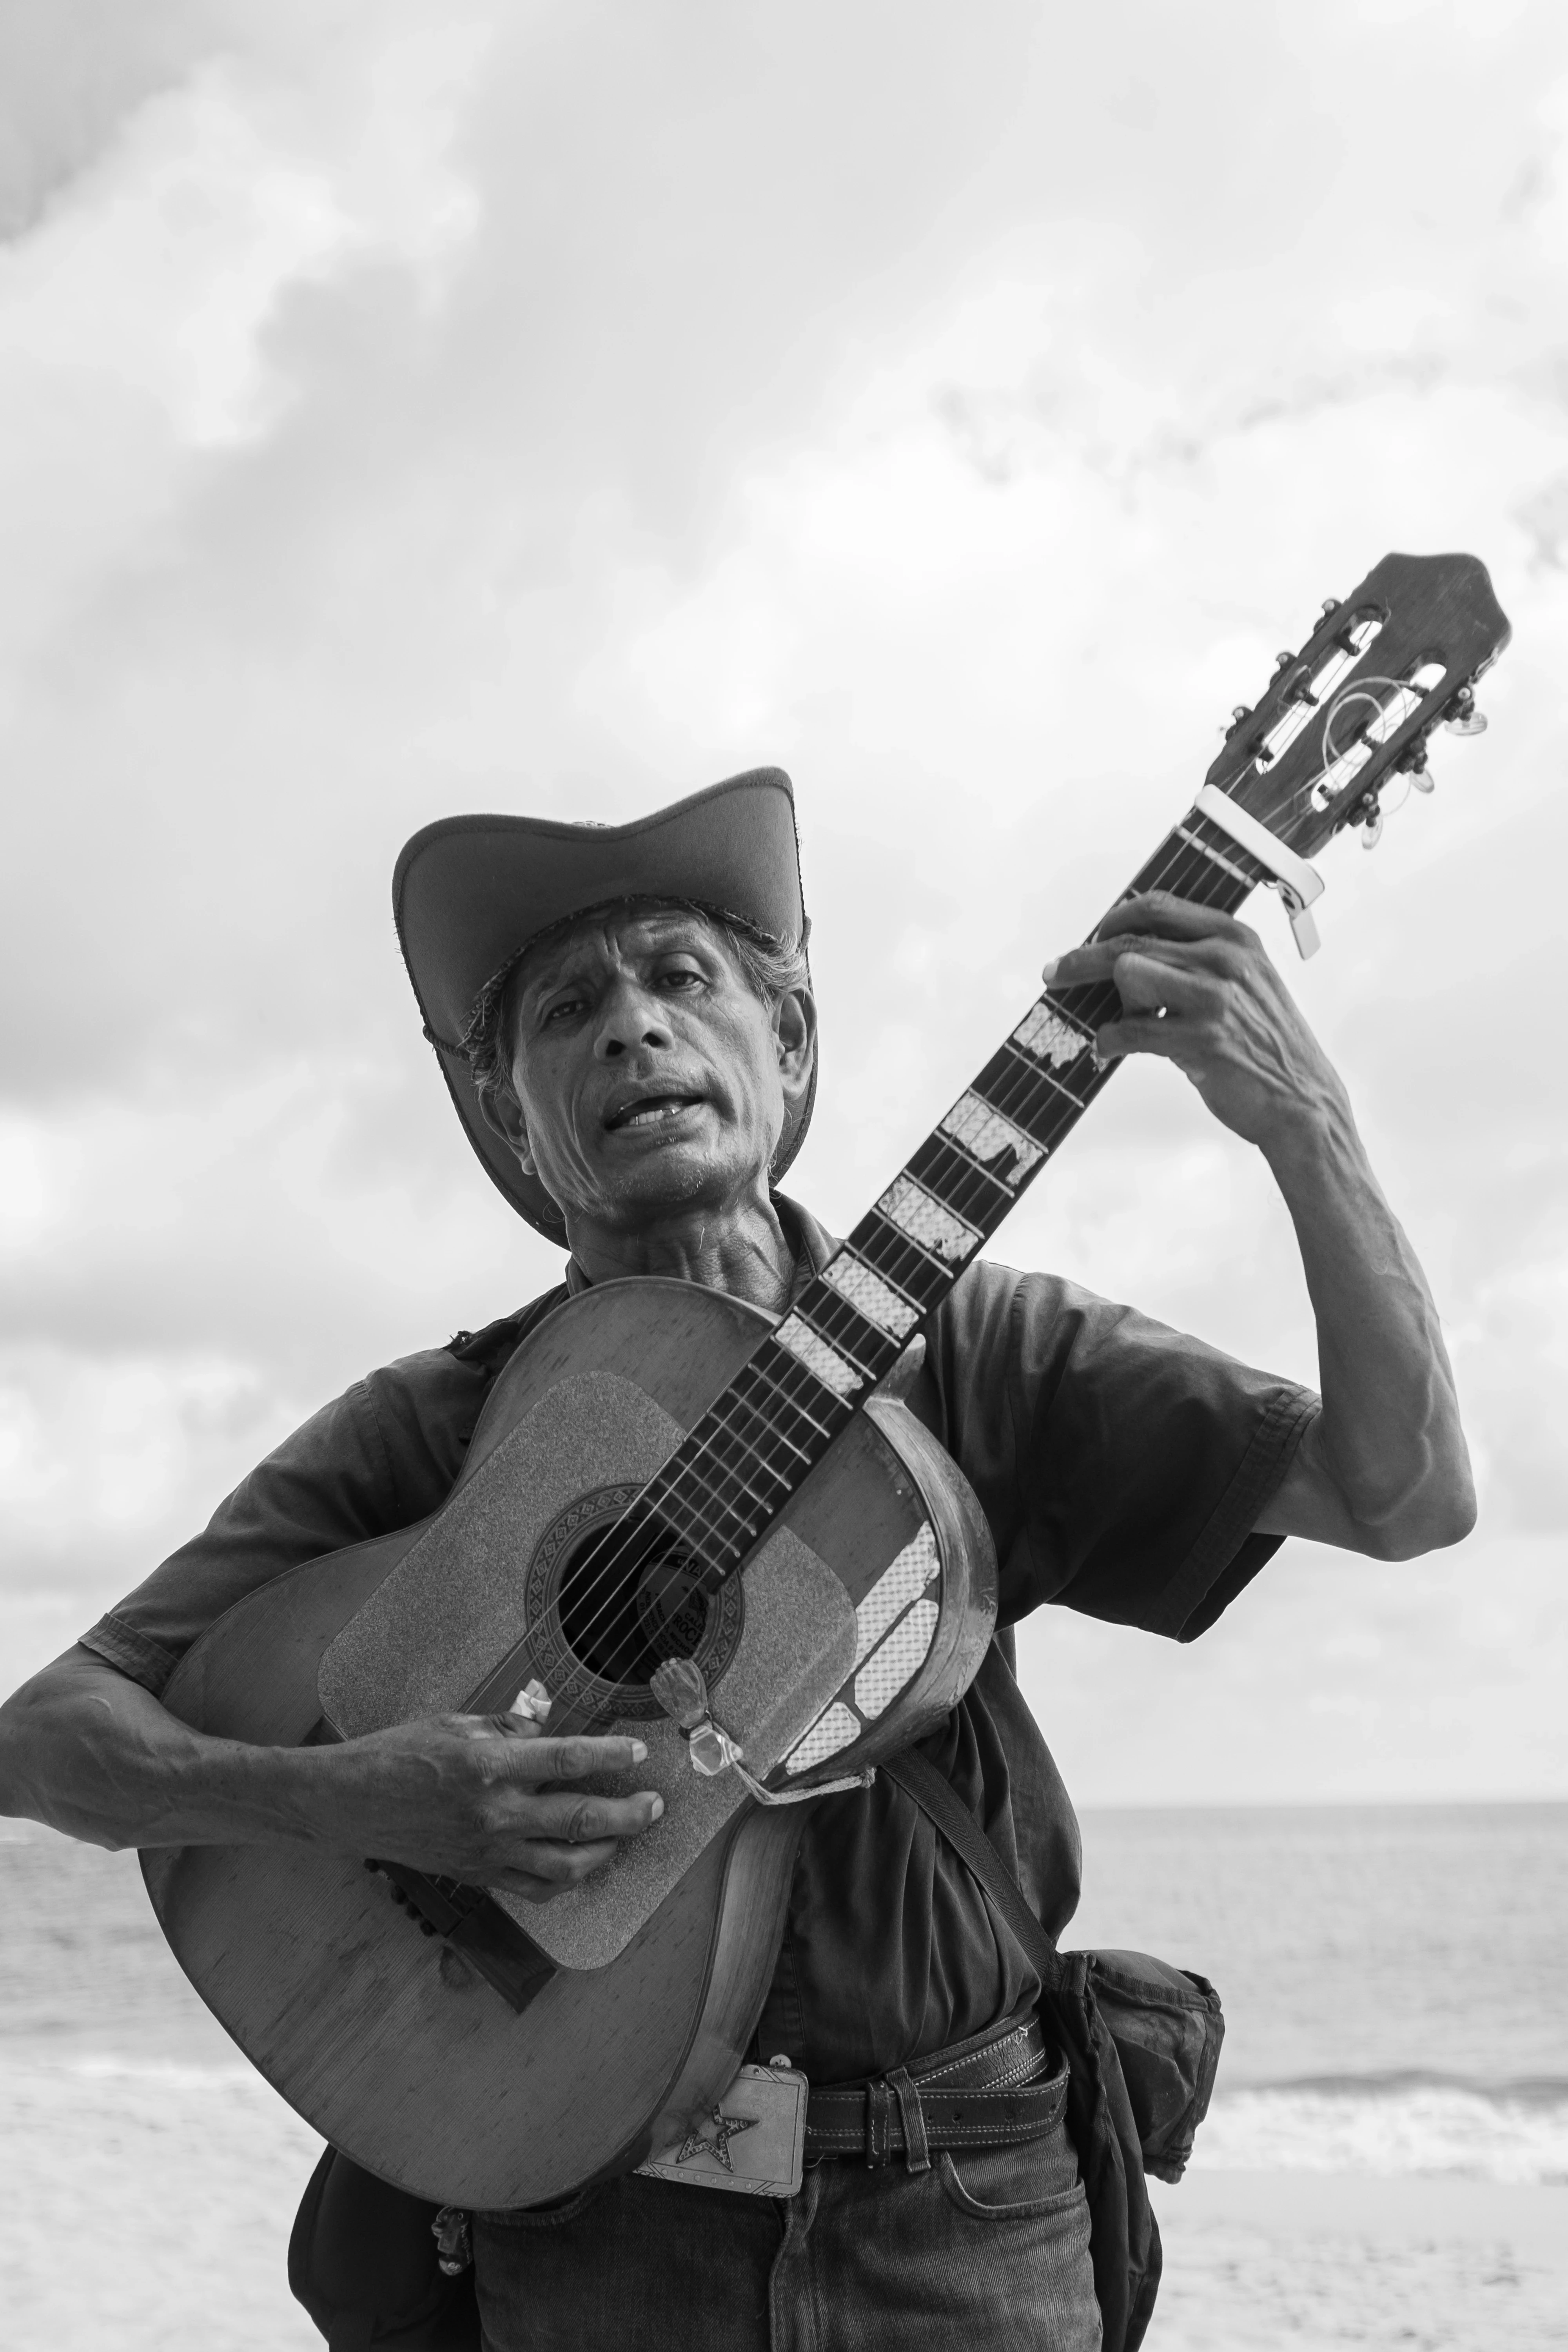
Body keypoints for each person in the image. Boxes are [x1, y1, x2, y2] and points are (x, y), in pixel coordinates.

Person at [0, 769, 1473, 2351]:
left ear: (790, 1046)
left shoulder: (982, 1354)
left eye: (682, 978)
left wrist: (1304, 1129)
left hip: (966, 2216)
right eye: (566, 1010)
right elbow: (44, 1742)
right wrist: (362, 1798)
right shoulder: (437, 1426)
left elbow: (1402, 1496)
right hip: (595, 2228)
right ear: (510, 1113)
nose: (632, 1028)